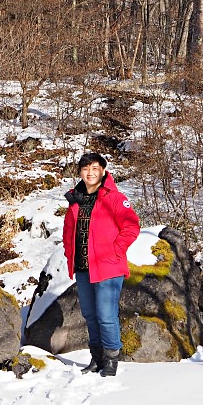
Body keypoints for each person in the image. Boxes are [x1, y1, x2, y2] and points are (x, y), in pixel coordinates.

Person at [62, 152, 140, 377]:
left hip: (107, 266)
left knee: (106, 315)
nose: (90, 173)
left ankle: (111, 360)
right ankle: (96, 358)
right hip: (83, 267)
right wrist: (70, 257)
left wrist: (116, 251)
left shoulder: (114, 198)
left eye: (95, 168)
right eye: (86, 169)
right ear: (80, 172)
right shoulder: (76, 200)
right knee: (89, 314)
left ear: (103, 171)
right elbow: (69, 233)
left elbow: (131, 226)